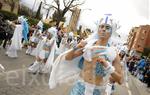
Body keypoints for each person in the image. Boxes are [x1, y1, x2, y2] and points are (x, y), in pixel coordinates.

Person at [49, 15, 123, 95]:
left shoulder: (112, 53)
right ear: (98, 29)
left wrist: (108, 67)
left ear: (112, 32)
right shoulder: (88, 45)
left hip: (96, 91)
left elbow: (120, 80)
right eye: (101, 27)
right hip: (79, 88)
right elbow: (68, 57)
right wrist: (77, 46)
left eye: (107, 27)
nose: (103, 29)